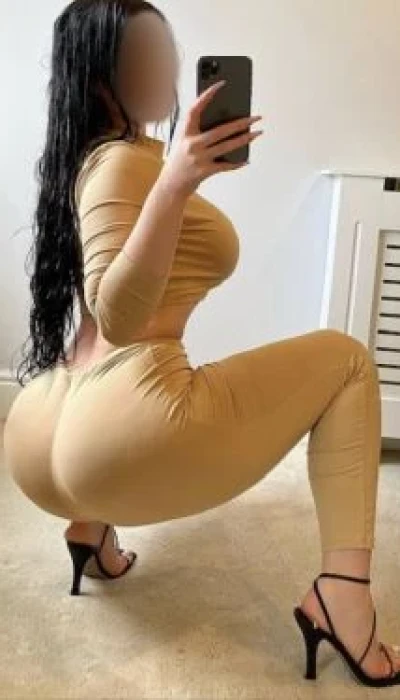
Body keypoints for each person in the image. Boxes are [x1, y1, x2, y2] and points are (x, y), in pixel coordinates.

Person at [3, 0, 400, 687]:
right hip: (113, 430)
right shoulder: (126, 164)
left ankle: (90, 530)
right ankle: (343, 594)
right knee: (347, 361)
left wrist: (175, 176)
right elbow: (118, 316)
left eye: (168, 50)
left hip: (47, 428)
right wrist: (177, 181)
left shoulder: (98, 160)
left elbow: (95, 316)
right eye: (146, 57)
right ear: (100, 78)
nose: (169, 68)